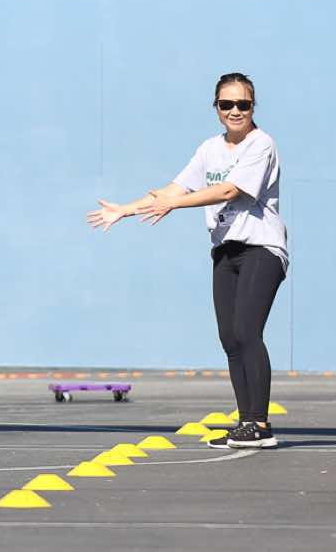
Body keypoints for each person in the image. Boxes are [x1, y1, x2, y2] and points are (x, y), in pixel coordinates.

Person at [88, 72, 287, 449]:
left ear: (253, 107)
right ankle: (246, 422)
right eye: (226, 104)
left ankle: (260, 424)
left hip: (261, 247)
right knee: (230, 338)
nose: (235, 111)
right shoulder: (210, 149)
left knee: (247, 331)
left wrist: (175, 203)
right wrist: (126, 210)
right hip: (225, 249)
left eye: (242, 104)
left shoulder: (261, 144)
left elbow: (229, 190)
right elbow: (172, 189)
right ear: (216, 107)